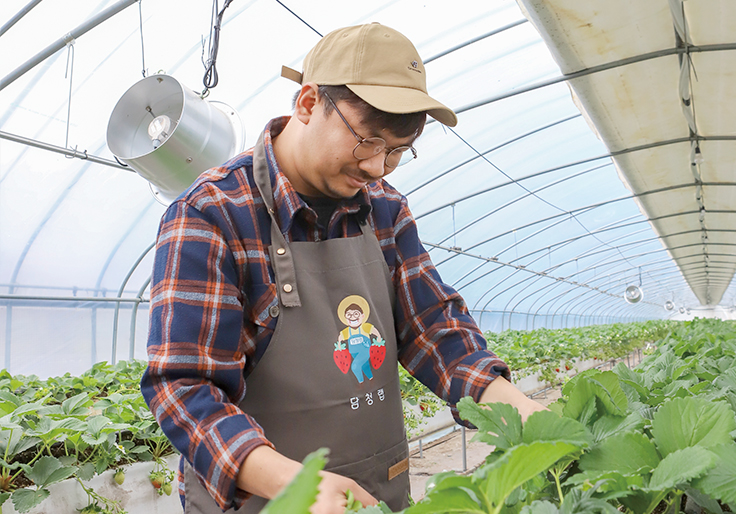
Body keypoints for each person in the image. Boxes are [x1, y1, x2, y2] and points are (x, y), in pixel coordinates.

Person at [141, 22, 545, 514]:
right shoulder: (213, 214)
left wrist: (521, 412)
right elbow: (185, 386)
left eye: (397, 152)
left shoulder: (386, 211)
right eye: (367, 141)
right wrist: (293, 484)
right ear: (308, 103)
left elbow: (433, 330)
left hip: (378, 493)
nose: (377, 167)